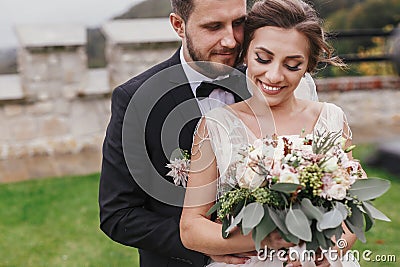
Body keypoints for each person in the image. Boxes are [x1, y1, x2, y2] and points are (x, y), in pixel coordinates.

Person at [98, 0, 318, 266]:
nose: (231, 41)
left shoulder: (268, 79)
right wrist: (207, 245)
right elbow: (118, 214)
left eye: (238, 23)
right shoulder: (136, 100)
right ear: (179, 25)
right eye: (213, 27)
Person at [180, 0, 359, 266]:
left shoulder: (331, 119)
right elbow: (191, 228)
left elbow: (352, 214)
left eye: (293, 65)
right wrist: (266, 240)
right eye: (263, 59)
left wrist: (334, 247)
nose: (274, 76)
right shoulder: (216, 126)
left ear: (308, 65)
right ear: (245, 54)